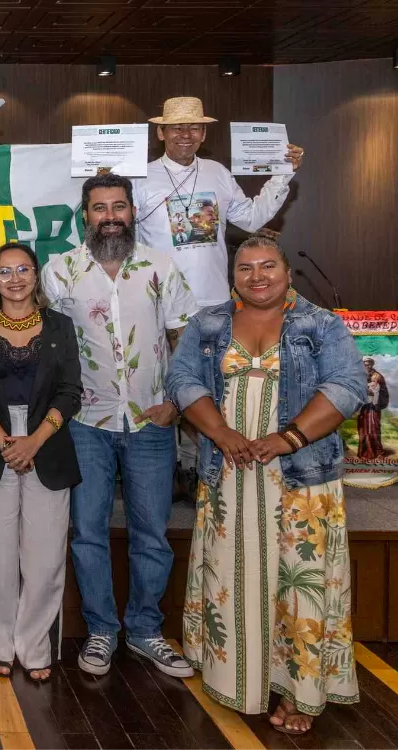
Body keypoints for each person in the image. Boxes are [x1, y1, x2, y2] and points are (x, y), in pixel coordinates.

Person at [166, 236, 366, 735]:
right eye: (246, 268)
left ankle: (300, 692)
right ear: (232, 275)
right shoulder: (208, 323)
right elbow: (183, 381)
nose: (258, 276)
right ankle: (238, 680)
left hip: (301, 481)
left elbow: (347, 386)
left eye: (268, 266)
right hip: (228, 476)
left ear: (287, 272)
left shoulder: (322, 324)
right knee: (235, 576)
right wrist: (222, 433)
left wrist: (288, 438)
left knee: (299, 585)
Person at [40, 172, 198, 678]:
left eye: (119, 207)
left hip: (153, 421)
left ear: (132, 212)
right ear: (84, 215)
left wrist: (176, 403)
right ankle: (102, 631)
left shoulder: (161, 266)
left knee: (152, 531)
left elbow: (185, 342)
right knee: (87, 531)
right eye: (100, 207)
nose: (110, 216)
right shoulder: (59, 271)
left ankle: (147, 631)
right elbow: (50, 349)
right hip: (85, 422)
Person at [0, 242, 82, 682]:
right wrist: (4, 442)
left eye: (24, 270)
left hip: (45, 442)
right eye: (5, 272)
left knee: (45, 555)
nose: (15, 279)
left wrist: (33, 441)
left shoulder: (60, 327)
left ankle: (34, 646)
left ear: (36, 275)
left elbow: (70, 391)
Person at [132, 96, 305, 309]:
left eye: (194, 128)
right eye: (177, 128)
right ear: (161, 133)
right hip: (160, 301)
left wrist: (283, 174)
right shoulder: (140, 178)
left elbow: (251, 220)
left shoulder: (218, 172)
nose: (186, 135)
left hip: (214, 300)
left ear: (203, 135)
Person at [358, 357, 389, 460]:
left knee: (374, 428)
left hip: (374, 407)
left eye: (369, 364)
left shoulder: (378, 376)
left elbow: (384, 391)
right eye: (366, 364)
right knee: (364, 428)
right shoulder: (361, 376)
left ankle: (378, 452)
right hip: (364, 406)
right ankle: (365, 452)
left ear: (372, 364)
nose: (368, 366)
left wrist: (375, 392)